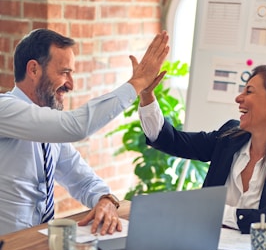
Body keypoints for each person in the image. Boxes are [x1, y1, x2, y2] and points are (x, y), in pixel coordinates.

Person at [0, 28, 169, 236]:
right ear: (34, 70)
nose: (71, 84)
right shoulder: (4, 110)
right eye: (64, 73)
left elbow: (82, 180)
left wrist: (105, 200)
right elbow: (76, 126)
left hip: (37, 246)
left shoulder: (49, 129)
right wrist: (137, 83)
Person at [138, 64, 266, 239]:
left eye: (249, 91)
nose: (238, 98)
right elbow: (172, 141)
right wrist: (147, 96)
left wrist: (213, 211)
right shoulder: (229, 137)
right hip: (208, 248)